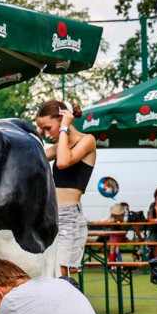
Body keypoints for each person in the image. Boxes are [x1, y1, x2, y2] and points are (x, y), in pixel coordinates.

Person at [36, 100, 97, 277]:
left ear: (63, 119)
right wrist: (37, 133)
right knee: (48, 271)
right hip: (51, 214)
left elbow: (63, 162)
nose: (47, 134)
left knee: (60, 273)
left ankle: (67, 303)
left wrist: (64, 128)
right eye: (43, 130)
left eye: (48, 128)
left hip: (69, 216)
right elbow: (33, 156)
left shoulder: (87, 141)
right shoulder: (59, 147)